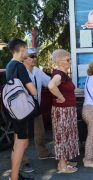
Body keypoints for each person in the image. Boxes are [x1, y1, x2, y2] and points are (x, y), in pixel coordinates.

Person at [6, 38, 37, 180]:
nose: (28, 52)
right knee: (22, 143)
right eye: (27, 49)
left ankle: (15, 175)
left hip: (14, 110)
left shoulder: (9, 65)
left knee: (18, 141)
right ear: (22, 49)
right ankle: (14, 177)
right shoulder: (20, 66)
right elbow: (33, 91)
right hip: (23, 110)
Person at [21, 49, 54, 173]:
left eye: (35, 56)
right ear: (24, 58)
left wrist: (59, 79)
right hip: (23, 110)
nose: (34, 58)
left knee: (40, 133)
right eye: (31, 56)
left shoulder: (37, 71)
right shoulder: (20, 71)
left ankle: (43, 153)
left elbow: (49, 83)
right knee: (23, 138)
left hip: (36, 107)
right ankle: (24, 162)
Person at [48, 49, 79, 173]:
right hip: (62, 111)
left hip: (67, 110)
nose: (70, 61)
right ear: (59, 61)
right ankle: (62, 166)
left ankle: (65, 160)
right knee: (63, 136)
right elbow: (51, 86)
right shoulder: (59, 74)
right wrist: (61, 97)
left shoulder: (63, 74)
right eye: (68, 59)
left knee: (67, 135)